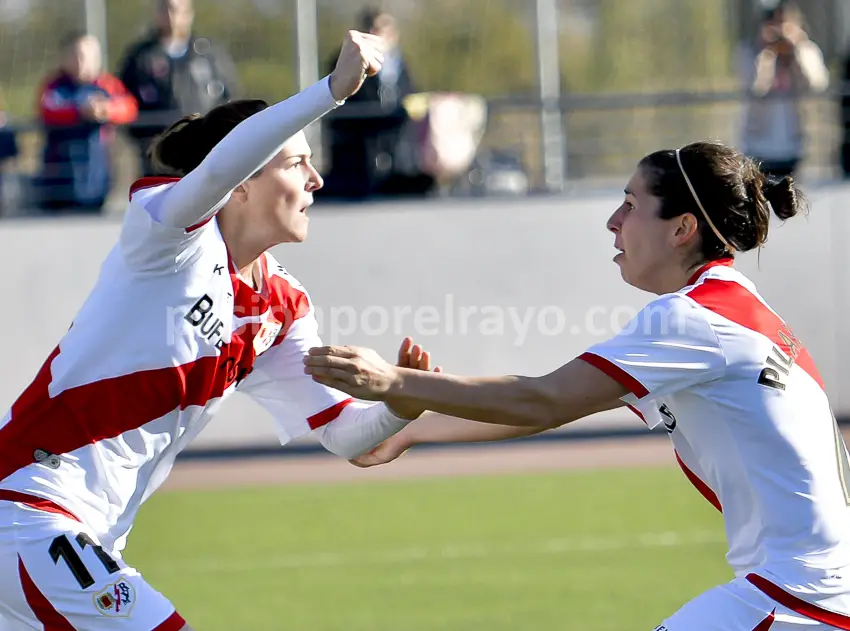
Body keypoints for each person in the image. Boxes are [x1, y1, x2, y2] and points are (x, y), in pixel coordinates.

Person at [305, 140, 850, 629]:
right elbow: (548, 403)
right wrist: (412, 430)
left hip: (796, 600)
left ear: (683, 229)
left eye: (631, 206)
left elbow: (541, 399)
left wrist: (394, 381)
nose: (613, 221)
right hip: (812, 594)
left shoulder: (692, 321)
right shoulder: (731, 308)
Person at [0, 31, 438, 631]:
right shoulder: (169, 239)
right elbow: (219, 167)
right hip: (26, 512)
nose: (316, 180)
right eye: (296, 162)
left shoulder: (281, 306)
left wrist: (401, 401)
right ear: (241, 182)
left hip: (83, 536)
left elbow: (349, 437)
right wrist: (331, 92)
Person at [320, 7, 433, 200]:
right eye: (373, 29)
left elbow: (410, 92)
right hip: (357, 148)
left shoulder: (400, 64)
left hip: (393, 144)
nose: (379, 35)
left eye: (384, 30)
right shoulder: (345, 60)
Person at [118, 0, 241, 176]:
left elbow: (230, 96)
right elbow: (124, 102)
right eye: (165, 9)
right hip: (158, 161)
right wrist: (148, 142)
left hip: (204, 155)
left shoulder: (208, 53)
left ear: (189, 13)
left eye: (176, 10)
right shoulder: (140, 57)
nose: (171, 17)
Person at [35, 32, 138, 213]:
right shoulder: (55, 85)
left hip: (99, 177)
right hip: (60, 178)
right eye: (77, 55)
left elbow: (129, 108)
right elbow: (48, 109)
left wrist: (107, 110)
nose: (83, 61)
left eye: (89, 55)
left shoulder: (107, 85)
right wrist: (79, 111)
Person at [740, 0, 828, 178]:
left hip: (796, 143)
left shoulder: (806, 51)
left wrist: (796, 50)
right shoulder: (749, 51)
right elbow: (756, 88)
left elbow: (816, 85)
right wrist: (766, 53)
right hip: (758, 143)